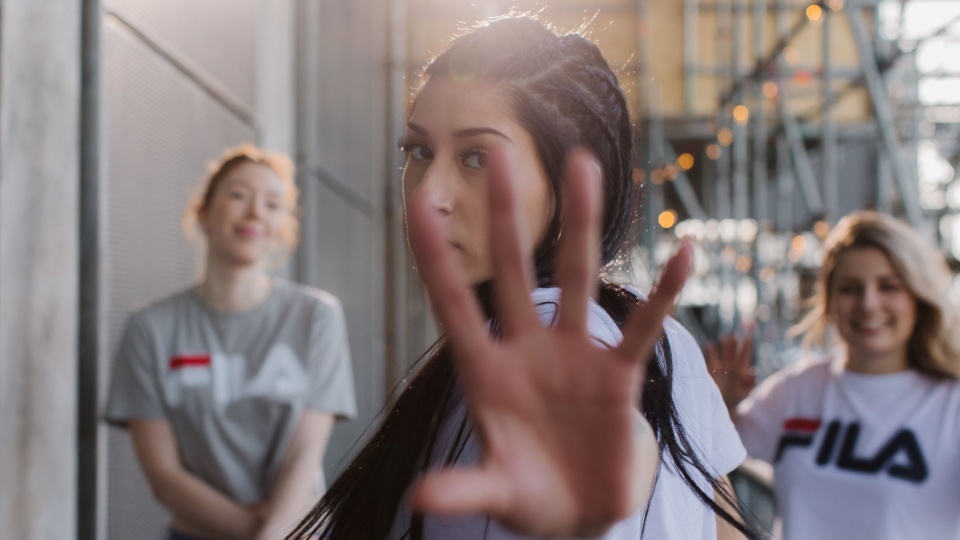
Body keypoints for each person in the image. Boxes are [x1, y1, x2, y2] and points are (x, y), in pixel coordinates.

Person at [288, 16, 753, 540]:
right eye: (418, 151)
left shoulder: (550, 331)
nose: (425, 196)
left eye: (476, 157)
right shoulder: (670, 341)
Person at [104, 144, 358, 540]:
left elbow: (304, 454)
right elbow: (164, 476)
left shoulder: (316, 317)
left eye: (273, 204)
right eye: (239, 195)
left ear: (282, 227)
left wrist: (274, 535)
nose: (256, 212)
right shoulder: (150, 329)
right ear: (203, 213)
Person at [709, 210, 960, 540]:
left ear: (917, 297)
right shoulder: (795, 390)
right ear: (829, 302)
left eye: (888, 286)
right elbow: (709, 452)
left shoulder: (951, 404)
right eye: (850, 289)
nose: (868, 304)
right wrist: (717, 404)